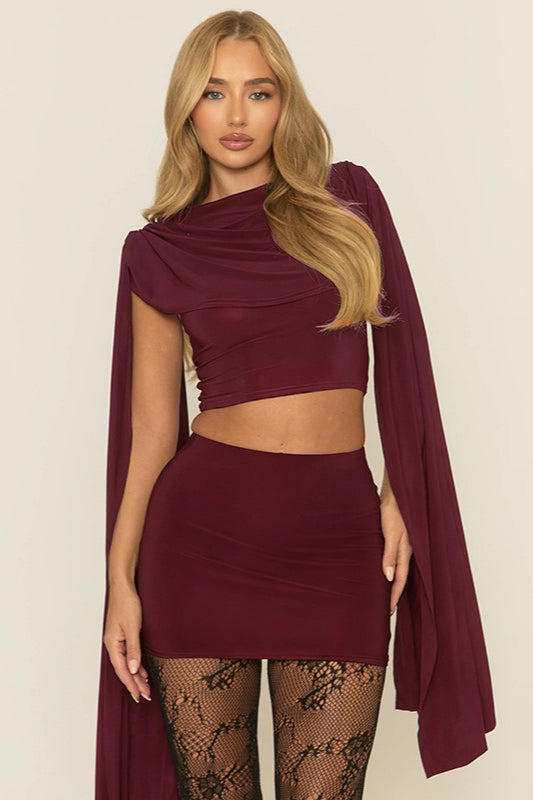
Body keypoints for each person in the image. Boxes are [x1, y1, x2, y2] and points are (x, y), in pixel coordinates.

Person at [94, 9, 496, 799]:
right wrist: (120, 582)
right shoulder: (159, 250)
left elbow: (406, 363)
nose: (236, 115)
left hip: (335, 539)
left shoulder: (347, 200)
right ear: (186, 108)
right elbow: (150, 431)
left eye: (259, 91)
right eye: (214, 92)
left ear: (285, 103)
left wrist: (400, 490)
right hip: (200, 542)